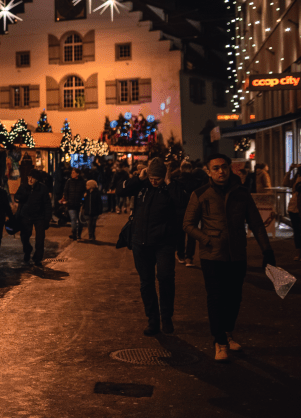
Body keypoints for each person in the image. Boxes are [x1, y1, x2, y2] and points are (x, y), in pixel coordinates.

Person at [183, 153, 277, 362]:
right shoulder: (200, 194)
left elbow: (257, 224)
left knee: (234, 298)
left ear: (229, 168)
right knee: (216, 297)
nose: (220, 171)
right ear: (208, 171)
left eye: (224, 167)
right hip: (212, 255)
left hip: (237, 254)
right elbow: (188, 224)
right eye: (215, 168)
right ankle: (220, 341)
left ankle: (227, 332)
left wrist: (267, 250)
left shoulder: (242, 194)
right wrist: (206, 239)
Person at [118, 158, 183, 336]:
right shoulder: (142, 185)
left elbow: (181, 203)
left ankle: (166, 317)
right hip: (141, 242)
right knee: (146, 282)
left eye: (158, 178)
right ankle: (152, 319)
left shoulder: (170, 188)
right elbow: (121, 190)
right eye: (152, 178)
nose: (154, 181)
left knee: (165, 277)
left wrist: (168, 182)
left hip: (164, 243)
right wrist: (139, 178)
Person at [15, 170, 52, 265]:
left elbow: (47, 204)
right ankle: (27, 250)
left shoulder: (42, 188)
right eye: (29, 177)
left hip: (39, 217)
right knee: (24, 237)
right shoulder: (24, 186)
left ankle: (38, 257)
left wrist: (47, 219)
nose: (30, 179)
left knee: (40, 238)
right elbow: (17, 196)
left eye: (32, 178)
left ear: (37, 179)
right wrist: (22, 196)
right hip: (25, 216)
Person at [174, 161, 199, 266]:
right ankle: (189, 258)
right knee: (191, 235)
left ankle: (181, 256)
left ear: (181, 169)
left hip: (179, 211)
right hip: (193, 211)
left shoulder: (177, 182)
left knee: (180, 234)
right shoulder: (196, 182)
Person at [60, 167, 86, 240]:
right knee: (73, 219)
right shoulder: (69, 181)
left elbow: (85, 191)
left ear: (77, 173)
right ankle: (74, 233)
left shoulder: (82, 182)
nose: (72, 174)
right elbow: (65, 190)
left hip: (79, 204)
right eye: (72, 172)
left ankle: (79, 234)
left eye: (73, 172)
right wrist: (67, 199)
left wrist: (83, 200)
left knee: (80, 220)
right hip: (71, 204)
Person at [284, 164, 301, 261]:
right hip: (293, 207)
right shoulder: (296, 177)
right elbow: (285, 183)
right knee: (297, 231)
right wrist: (289, 170)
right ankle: (298, 253)